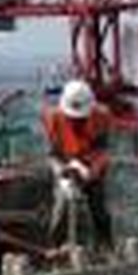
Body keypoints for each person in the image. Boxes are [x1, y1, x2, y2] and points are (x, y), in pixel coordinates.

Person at [42, 79, 114, 249]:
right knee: (61, 210)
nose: (77, 121)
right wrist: (62, 173)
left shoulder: (101, 117)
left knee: (99, 209)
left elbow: (102, 150)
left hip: (91, 166)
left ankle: (105, 247)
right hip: (66, 166)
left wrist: (92, 170)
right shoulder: (54, 118)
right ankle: (53, 249)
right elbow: (52, 155)